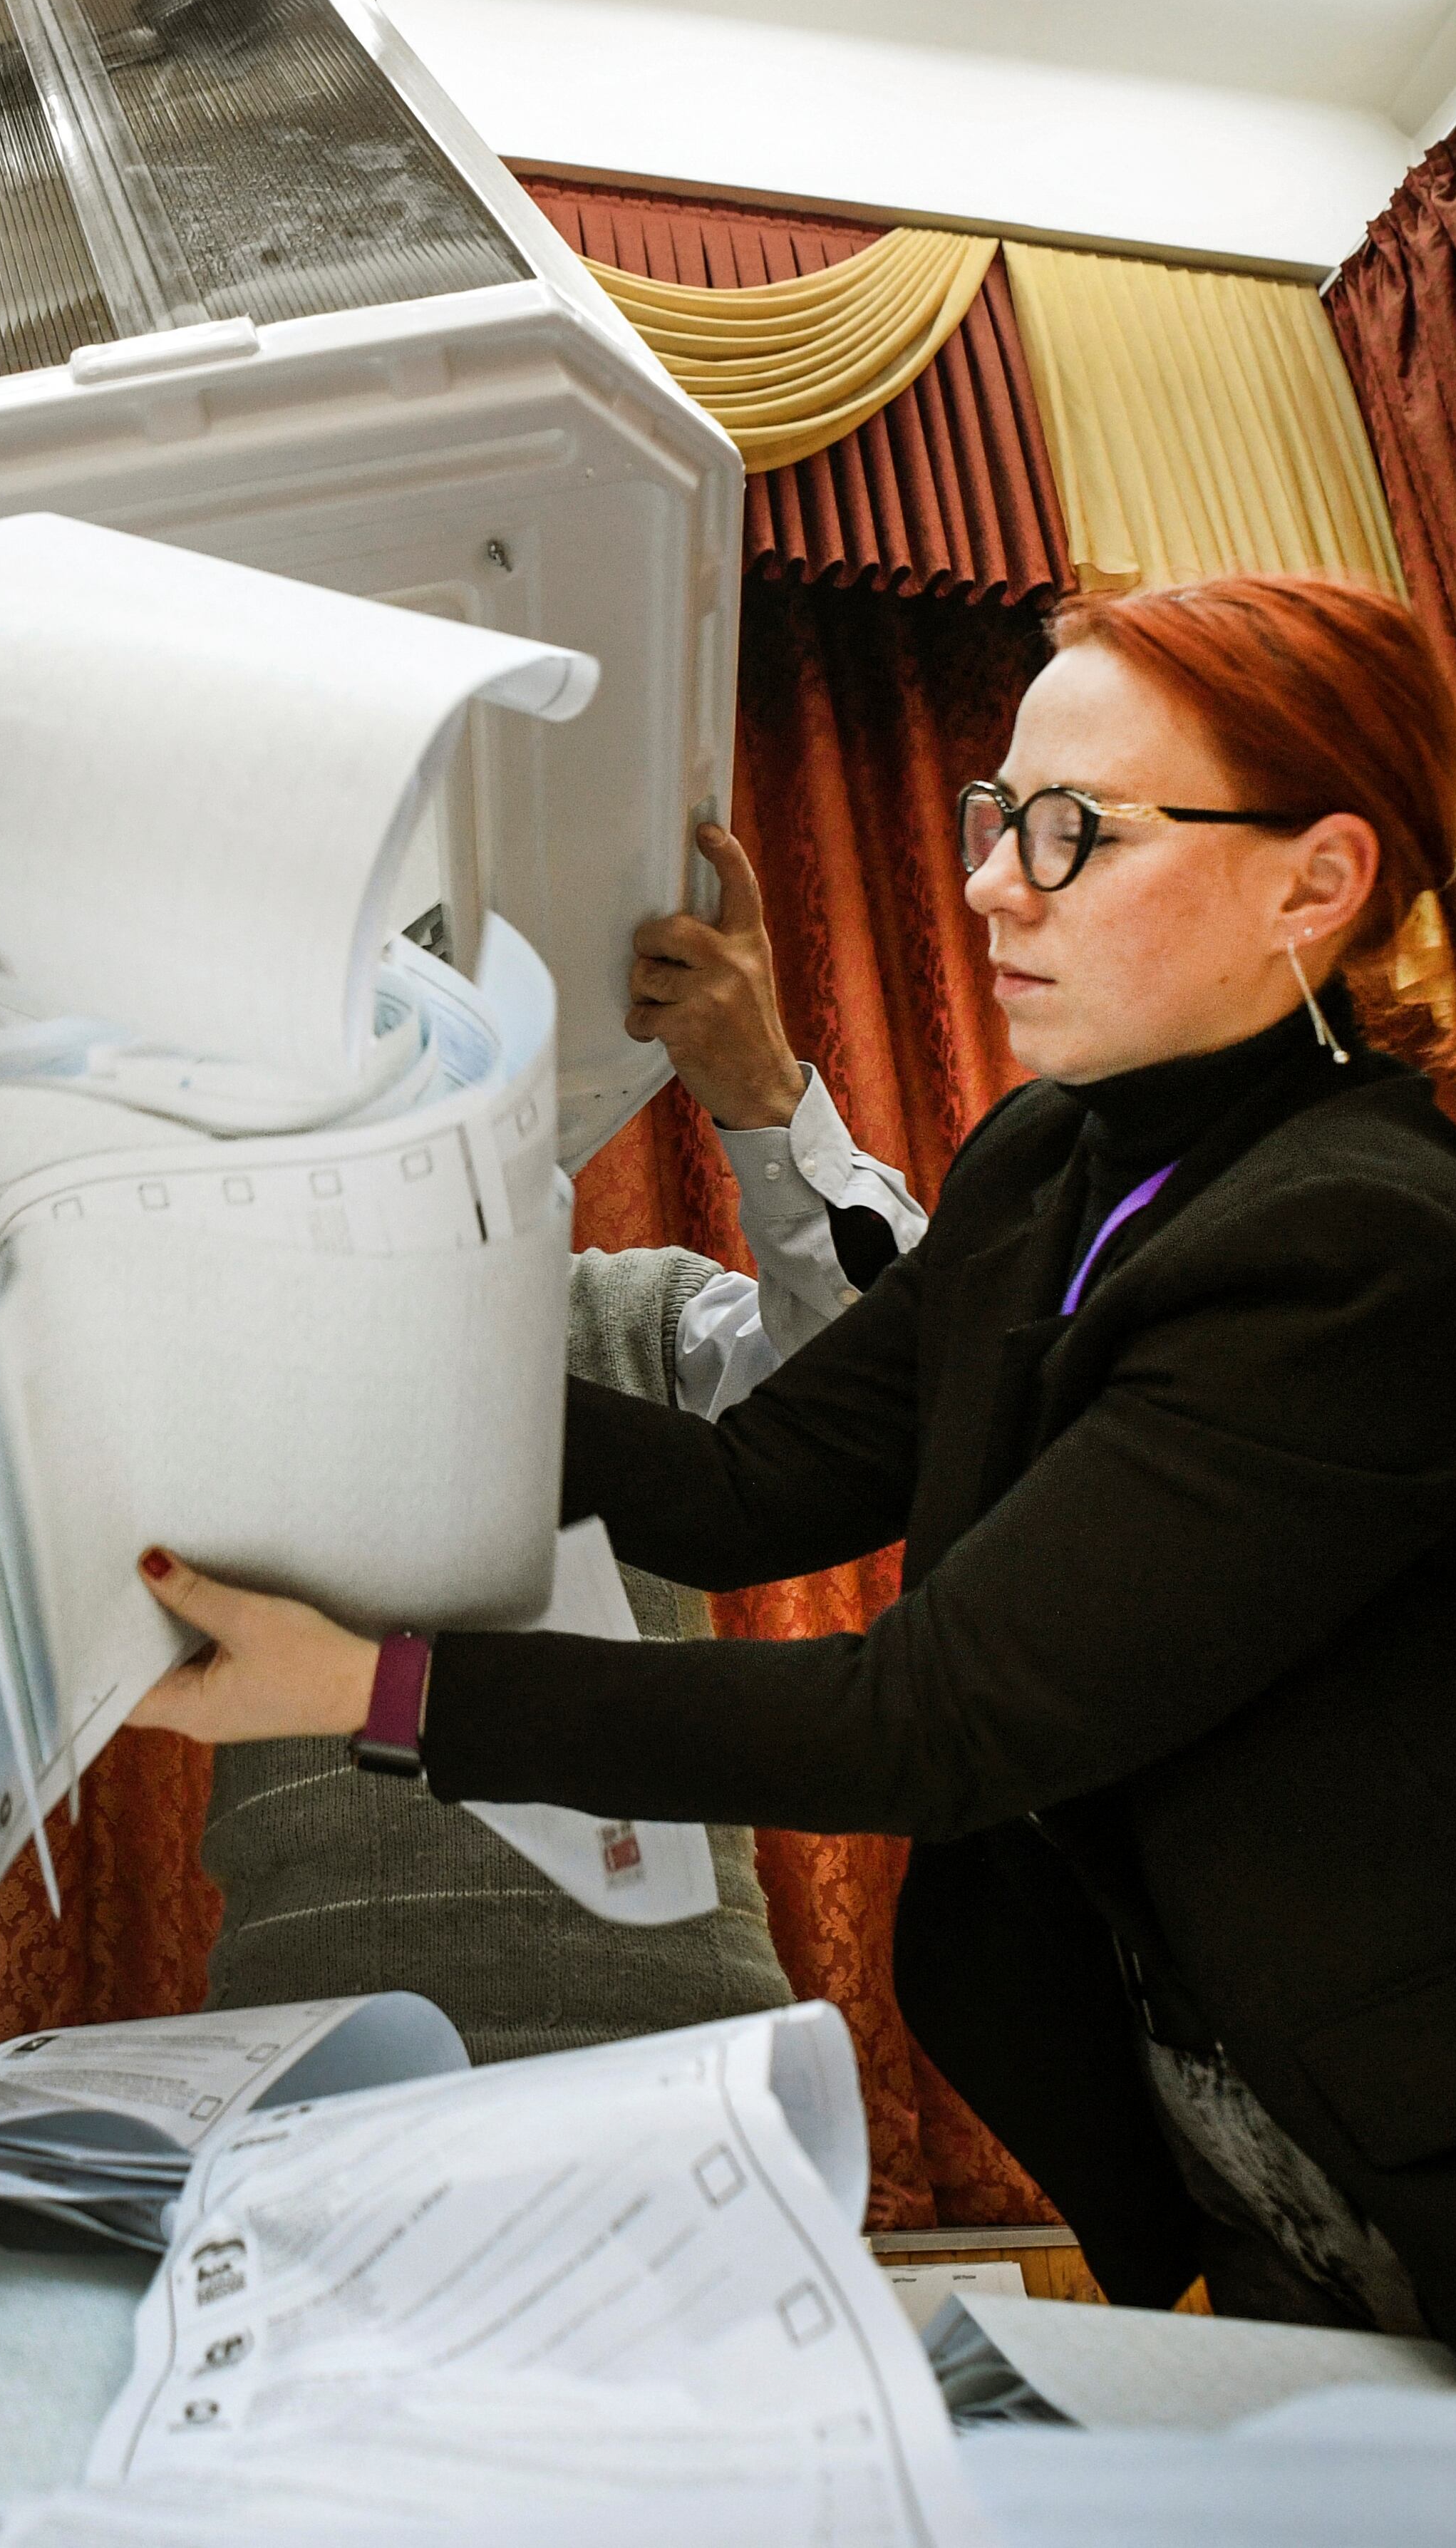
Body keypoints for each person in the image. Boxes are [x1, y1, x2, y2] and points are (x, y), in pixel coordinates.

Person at [122, 574, 1456, 2433]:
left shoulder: (1367, 1244)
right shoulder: (1050, 1157)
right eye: (995, 817)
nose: (998, 882)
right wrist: (322, 1340)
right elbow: (744, 1483)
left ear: (1313, 885)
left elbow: (930, 1717)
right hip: (1279, 2148)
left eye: (1074, 830)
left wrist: (369, 1685)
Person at [204, 820, 929, 2059]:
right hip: (313, 2045)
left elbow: (894, 1380)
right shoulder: (207, 1358)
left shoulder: (634, 1307)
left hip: (676, 2045)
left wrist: (760, 1096)